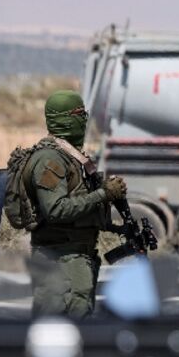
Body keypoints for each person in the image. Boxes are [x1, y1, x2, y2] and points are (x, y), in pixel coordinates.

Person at [28, 90, 127, 320]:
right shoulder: (49, 160)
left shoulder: (71, 156)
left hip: (76, 260)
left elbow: (81, 207)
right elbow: (56, 209)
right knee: (58, 335)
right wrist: (103, 195)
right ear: (63, 118)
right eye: (78, 114)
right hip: (60, 262)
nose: (83, 120)